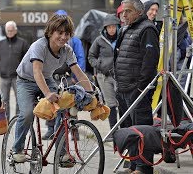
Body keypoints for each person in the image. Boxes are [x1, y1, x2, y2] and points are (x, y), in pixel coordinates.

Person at [12, 13, 93, 163]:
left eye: (67, 33)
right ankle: (16, 149)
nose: (63, 37)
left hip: (47, 79)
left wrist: (91, 93)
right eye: (59, 33)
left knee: (63, 110)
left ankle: (62, 154)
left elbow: (79, 73)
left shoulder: (67, 50)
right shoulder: (39, 46)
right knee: (27, 113)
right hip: (26, 81)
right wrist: (48, 93)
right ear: (50, 32)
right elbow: (36, 72)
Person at [114, 0, 160, 174]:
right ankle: (133, 165)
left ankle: (143, 167)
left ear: (139, 12)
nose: (124, 15)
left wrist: (141, 88)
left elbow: (150, 61)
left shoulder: (147, 29)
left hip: (137, 90)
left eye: (128, 11)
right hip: (124, 89)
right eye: (123, 11)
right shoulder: (126, 28)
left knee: (142, 130)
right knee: (128, 131)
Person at [42, 9, 86, 140]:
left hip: (67, 77)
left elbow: (80, 59)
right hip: (51, 77)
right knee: (51, 103)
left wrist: (75, 78)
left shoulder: (75, 41)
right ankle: (50, 130)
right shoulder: (46, 41)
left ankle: (74, 130)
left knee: (71, 103)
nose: (63, 35)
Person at [88, 14, 120, 129]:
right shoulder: (99, 40)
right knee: (111, 103)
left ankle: (125, 130)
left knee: (122, 102)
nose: (111, 29)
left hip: (120, 76)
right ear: (105, 28)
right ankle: (113, 130)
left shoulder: (122, 38)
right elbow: (91, 56)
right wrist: (99, 65)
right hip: (104, 76)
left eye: (113, 27)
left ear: (117, 27)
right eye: (109, 27)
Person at [0, 20, 29, 121]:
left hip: (18, 77)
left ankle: (18, 120)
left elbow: (27, 59)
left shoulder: (23, 43)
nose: (9, 32)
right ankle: (6, 120)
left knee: (19, 99)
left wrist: (22, 71)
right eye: (8, 30)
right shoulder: (1, 44)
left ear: (15, 30)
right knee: (5, 100)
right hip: (4, 77)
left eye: (11, 30)